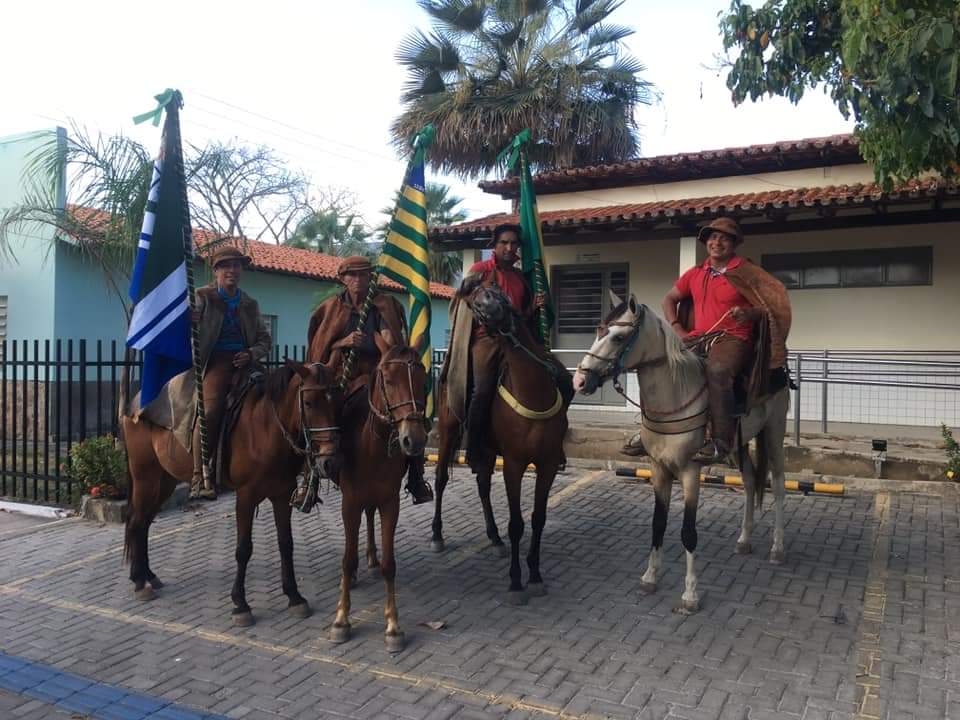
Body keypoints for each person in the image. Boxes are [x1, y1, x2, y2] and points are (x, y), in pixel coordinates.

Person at [621, 217, 791, 463]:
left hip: (734, 338)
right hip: (699, 337)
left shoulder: (746, 271)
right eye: (712, 237)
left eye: (724, 238)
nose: (716, 242)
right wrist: (678, 328)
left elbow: (770, 307)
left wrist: (748, 313)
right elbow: (668, 299)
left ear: (733, 244)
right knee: (664, 364)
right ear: (706, 242)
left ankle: (720, 441)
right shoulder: (695, 273)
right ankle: (649, 431)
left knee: (718, 370)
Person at [304, 255, 434, 505]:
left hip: (380, 378)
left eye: (364, 274)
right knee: (319, 412)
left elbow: (392, 342)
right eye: (352, 274)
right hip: (343, 377)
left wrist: (382, 340)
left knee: (411, 411)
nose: (358, 279)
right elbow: (318, 350)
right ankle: (310, 479)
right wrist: (344, 342)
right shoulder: (330, 308)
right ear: (342, 278)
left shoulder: (385, 305)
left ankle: (416, 476)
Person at [447, 223, 572, 472]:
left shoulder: (520, 279)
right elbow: (460, 299)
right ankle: (475, 447)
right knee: (482, 390)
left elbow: (522, 318)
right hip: (487, 340)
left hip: (519, 341)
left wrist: (533, 308)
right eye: (504, 242)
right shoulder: (480, 271)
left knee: (562, 379)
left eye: (514, 243)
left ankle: (554, 442)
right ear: (494, 245)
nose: (509, 247)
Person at [190, 246, 272, 500]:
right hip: (215, 363)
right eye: (226, 266)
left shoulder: (250, 303)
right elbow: (184, 334)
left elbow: (264, 340)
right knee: (211, 410)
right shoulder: (202, 297)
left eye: (236, 266)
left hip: (246, 362)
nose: (232, 270)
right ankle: (198, 476)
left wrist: (251, 353)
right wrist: (189, 321)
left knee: (277, 401)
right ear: (215, 271)